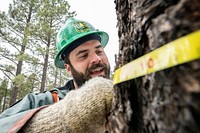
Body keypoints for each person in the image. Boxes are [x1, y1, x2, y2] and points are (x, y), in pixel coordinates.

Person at [0, 18, 113, 133]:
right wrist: (64, 118)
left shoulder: (124, 99)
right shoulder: (40, 101)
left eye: (99, 52)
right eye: (83, 55)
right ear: (69, 68)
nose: (96, 59)